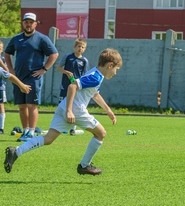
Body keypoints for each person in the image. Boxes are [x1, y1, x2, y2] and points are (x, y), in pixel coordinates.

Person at [4, 48, 122, 176]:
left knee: (48, 138)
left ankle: (16, 151)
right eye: (116, 69)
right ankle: (84, 165)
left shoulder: (95, 74)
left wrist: (108, 110)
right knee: (101, 134)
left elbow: (94, 94)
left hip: (64, 106)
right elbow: (73, 86)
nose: (115, 73)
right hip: (76, 110)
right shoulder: (96, 77)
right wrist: (70, 111)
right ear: (110, 65)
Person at [4, 12, 59, 142]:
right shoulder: (17, 38)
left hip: (33, 77)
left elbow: (54, 54)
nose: (28, 24)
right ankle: (25, 131)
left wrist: (44, 69)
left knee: (31, 105)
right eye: (26, 22)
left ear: (35, 24)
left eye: (31, 22)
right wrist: (11, 69)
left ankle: (32, 131)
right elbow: (7, 54)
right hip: (18, 77)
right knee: (22, 106)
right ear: (23, 23)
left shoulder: (42, 38)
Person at [57, 38, 90, 135]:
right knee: (62, 105)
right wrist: (66, 72)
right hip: (65, 86)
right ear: (74, 47)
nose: (80, 48)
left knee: (74, 106)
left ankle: (73, 128)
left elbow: (85, 75)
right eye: (79, 46)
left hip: (76, 88)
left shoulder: (84, 61)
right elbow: (59, 68)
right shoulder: (67, 57)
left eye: (83, 47)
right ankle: (62, 126)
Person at [0, 41, 9, 134]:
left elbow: (7, 71)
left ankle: (1, 128)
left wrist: (1, 63)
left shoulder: (3, 59)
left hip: (0, 86)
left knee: (0, 105)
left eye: (0, 47)